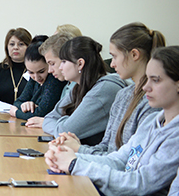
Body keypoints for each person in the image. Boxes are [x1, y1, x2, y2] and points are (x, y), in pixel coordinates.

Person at [45, 46, 179, 196]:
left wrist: (76, 164)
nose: (145, 87)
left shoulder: (175, 135)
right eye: (147, 79)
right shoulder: (153, 120)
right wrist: (70, 157)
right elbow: (119, 160)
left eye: (155, 80)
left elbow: (140, 183)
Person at [51, 22, 165, 156]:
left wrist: (79, 150)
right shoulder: (123, 94)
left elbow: (127, 163)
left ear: (134, 55)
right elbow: (106, 148)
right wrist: (78, 147)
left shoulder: (151, 102)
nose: (111, 64)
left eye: (115, 56)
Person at [37, 36, 126, 145]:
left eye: (64, 61)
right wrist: (64, 123)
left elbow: (63, 131)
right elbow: (49, 118)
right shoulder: (78, 87)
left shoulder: (103, 90)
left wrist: (63, 123)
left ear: (80, 64)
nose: (60, 67)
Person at [9, 35, 66, 120]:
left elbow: (40, 113)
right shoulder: (33, 79)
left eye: (41, 71)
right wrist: (25, 105)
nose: (36, 77)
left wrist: (16, 113)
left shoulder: (54, 79)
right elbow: (18, 102)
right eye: (31, 72)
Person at [24, 32, 75, 128]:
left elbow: (69, 127)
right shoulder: (68, 86)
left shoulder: (86, 87)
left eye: (52, 64)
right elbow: (55, 117)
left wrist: (46, 122)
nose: (50, 71)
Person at [0, 27, 32, 105]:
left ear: (29, 47)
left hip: (27, 115)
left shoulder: (35, 71)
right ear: (7, 47)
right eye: (12, 44)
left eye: (21, 44)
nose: (15, 47)